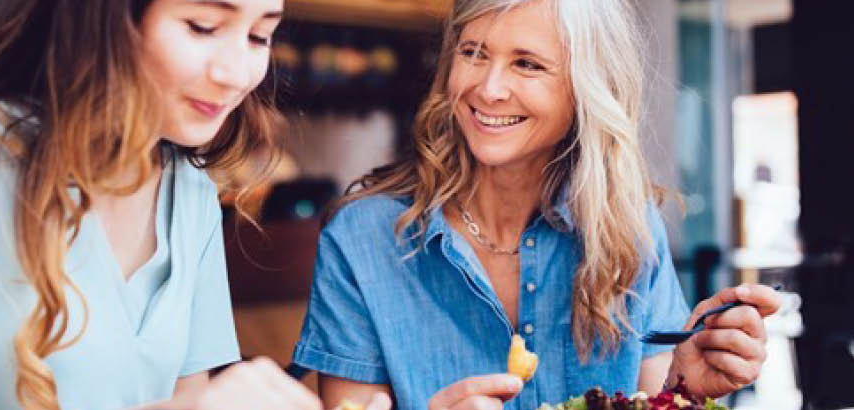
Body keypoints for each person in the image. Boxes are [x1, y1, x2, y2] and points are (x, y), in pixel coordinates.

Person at [0, 1, 334, 409]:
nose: (237, 72)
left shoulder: (191, 195)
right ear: (105, 18)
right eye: (202, 26)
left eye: (259, 35)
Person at [290, 1, 782, 409]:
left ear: (587, 88)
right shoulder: (361, 239)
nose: (489, 88)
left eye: (527, 63)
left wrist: (684, 390)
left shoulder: (628, 228)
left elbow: (650, 397)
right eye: (474, 53)